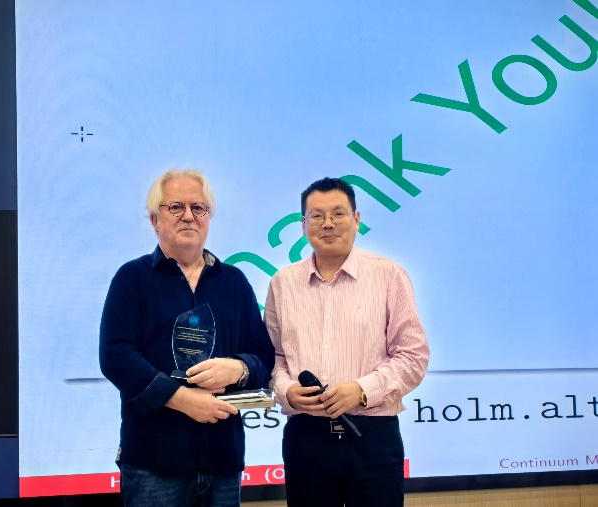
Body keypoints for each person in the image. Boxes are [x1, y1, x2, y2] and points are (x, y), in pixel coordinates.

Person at [100, 168, 274, 507]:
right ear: (155, 220)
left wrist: (238, 368)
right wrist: (181, 399)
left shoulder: (234, 282)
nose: (189, 216)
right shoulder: (132, 278)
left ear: (208, 218)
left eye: (199, 207)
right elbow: (115, 356)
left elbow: (263, 355)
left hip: (223, 460)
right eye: (176, 207)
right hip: (154, 463)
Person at [264, 177, 429, 507]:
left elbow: (413, 356)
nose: (327, 224)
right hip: (306, 439)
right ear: (303, 225)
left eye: (338, 213)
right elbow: (274, 357)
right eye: (317, 216)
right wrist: (286, 391)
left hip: (372, 438)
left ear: (356, 220)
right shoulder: (282, 283)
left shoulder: (388, 275)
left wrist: (362, 390)